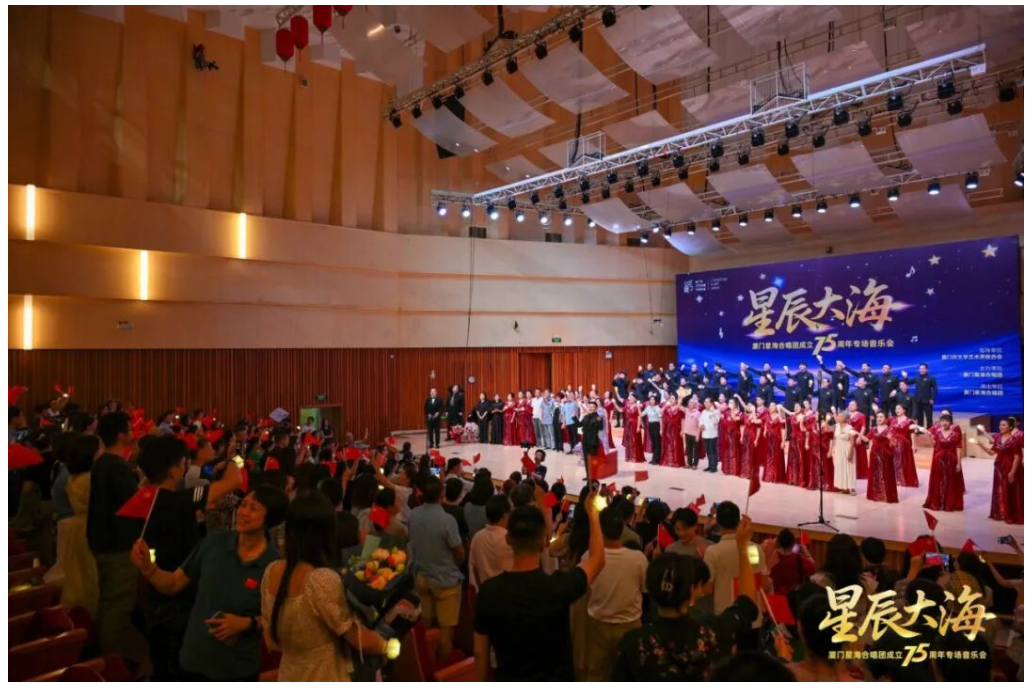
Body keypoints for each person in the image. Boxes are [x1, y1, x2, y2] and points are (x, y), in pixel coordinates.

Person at [130, 485, 289, 681]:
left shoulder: (273, 565)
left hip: (237, 670)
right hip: (194, 660)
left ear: (270, 518)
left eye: (254, 508)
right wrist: (148, 568)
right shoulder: (214, 543)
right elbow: (173, 584)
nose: (243, 512)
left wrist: (247, 624)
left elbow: (279, 620)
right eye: (243, 504)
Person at [137, 435, 242, 680]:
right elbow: (235, 480)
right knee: (181, 666)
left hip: (153, 590)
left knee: (161, 660)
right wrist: (230, 461)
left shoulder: (143, 497)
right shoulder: (179, 501)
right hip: (180, 594)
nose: (185, 465)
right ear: (174, 470)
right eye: (182, 462)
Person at [474, 492, 605, 682]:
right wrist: (593, 515)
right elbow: (597, 559)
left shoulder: (488, 592)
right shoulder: (558, 586)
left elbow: (480, 652)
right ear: (544, 542)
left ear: (508, 539)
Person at [261, 493, 391, 681]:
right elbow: (357, 638)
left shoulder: (271, 570)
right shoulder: (320, 579)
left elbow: (271, 641)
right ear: (327, 532)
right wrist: (387, 647)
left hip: (289, 674)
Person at [611, 530, 759, 681]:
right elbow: (746, 604)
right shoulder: (710, 632)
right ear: (692, 590)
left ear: (650, 588)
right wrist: (742, 547)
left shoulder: (634, 642)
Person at [88, 411, 149, 668]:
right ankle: (112, 664)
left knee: (111, 600)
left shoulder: (102, 462)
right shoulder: (115, 466)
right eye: (129, 429)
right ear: (121, 435)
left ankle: (111, 655)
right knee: (118, 603)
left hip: (103, 541)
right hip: (117, 545)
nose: (133, 432)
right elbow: (133, 504)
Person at [583, 506, 648, 681]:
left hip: (598, 623)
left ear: (599, 531)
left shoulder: (588, 556)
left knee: (596, 673)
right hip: (630, 625)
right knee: (630, 675)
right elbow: (645, 589)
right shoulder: (638, 559)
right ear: (622, 528)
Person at [407, 477, 464, 660]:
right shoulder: (447, 520)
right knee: (446, 633)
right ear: (442, 494)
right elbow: (459, 551)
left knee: (426, 624)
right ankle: (443, 666)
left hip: (422, 576)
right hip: (446, 581)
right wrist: (454, 566)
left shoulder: (413, 514)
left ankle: (425, 662)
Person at [53, 433, 100, 617]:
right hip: (88, 528)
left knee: (79, 575)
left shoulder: (72, 476)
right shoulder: (89, 479)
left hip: (78, 527)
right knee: (89, 576)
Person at [703, 501, 767, 616]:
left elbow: (708, 589)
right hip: (752, 618)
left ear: (717, 521)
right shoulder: (755, 549)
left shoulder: (712, 552)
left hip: (725, 618)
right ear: (738, 520)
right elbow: (764, 584)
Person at [974, 417, 1023, 525]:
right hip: (999, 467)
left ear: (1010, 427)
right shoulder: (998, 438)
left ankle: (1010, 514)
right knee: (999, 489)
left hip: (1009, 467)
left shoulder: (1015, 439)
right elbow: (992, 453)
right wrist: (980, 445)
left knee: (1010, 491)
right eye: (1000, 424)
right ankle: (1001, 512)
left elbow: (1017, 456)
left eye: (1004, 425)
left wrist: (1013, 472)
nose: (1001, 427)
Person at [469, 494, 513, 590]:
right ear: (505, 515)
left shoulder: (477, 537)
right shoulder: (511, 540)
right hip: (506, 593)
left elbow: (474, 568)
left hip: (484, 591)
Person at [922, 412, 964, 512]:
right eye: (942, 421)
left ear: (951, 423)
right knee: (938, 481)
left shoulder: (956, 434)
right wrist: (928, 436)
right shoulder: (937, 432)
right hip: (938, 460)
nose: (944, 423)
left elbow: (958, 448)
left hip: (951, 460)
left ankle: (948, 503)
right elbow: (933, 445)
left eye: (947, 421)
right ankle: (937, 502)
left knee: (950, 481)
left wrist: (958, 463)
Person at [862, 411, 898, 503]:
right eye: (878, 417)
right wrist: (857, 434)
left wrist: (891, 439)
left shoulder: (890, 429)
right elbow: (866, 439)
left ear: (885, 418)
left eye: (881, 417)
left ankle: (887, 495)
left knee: (886, 474)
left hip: (886, 454)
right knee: (875, 474)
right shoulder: (873, 429)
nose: (879, 418)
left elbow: (895, 443)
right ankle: (876, 494)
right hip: (874, 454)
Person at [767, 529, 815, 595]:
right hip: (794, 597)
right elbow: (812, 567)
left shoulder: (772, 557)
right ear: (793, 544)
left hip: (776, 596)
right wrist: (805, 550)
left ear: (778, 542)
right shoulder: (798, 558)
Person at [889, 404, 920, 487]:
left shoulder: (909, 421)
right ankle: (895, 479)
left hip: (905, 444)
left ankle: (903, 479)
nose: (897, 410)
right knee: (894, 462)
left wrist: (913, 445)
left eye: (899, 408)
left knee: (904, 462)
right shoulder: (892, 420)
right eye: (896, 409)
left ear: (904, 410)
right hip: (894, 444)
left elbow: (912, 433)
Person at [831, 412, 859, 495]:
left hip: (847, 449)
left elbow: (852, 442)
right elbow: (834, 438)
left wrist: (850, 453)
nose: (838, 417)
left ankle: (852, 488)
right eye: (838, 416)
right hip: (839, 450)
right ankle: (844, 488)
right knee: (840, 468)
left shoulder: (850, 428)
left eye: (840, 416)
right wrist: (832, 449)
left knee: (849, 468)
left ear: (845, 418)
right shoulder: (836, 426)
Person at [904, 363, 938, 429]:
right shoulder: (916, 378)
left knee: (929, 418)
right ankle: (920, 430)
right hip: (918, 401)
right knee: (919, 418)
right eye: (920, 368)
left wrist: (932, 398)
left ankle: (929, 430)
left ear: (926, 369)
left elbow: (935, 389)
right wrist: (905, 377)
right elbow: (908, 383)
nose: (921, 370)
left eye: (923, 368)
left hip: (928, 401)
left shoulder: (931, 378)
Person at [462, 473, 495, 538]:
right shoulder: (490, 512)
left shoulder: (467, 506)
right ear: (490, 492)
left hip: (467, 539)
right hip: (481, 540)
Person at [659, 394, 685, 467]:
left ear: (676, 400)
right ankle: (668, 460)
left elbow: (683, 419)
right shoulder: (667, 408)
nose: (671, 400)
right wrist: (665, 406)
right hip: (667, 429)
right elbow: (660, 414)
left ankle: (675, 461)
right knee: (668, 444)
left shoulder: (679, 408)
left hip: (677, 429)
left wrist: (682, 429)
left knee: (676, 445)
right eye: (670, 398)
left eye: (673, 398)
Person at [763, 406, 787, 484]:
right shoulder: (767, 416)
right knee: (769, 457)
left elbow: (783, 429)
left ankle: (776, 476)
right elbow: (766, 425)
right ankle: (768, 476)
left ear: (776, 408)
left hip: (777, 439)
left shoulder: (779, 417)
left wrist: (783, 441)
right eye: (770, 406)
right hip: (768, 439)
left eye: (773, 406)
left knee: (777, 457)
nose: (771, 407)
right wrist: (765, 431)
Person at [699, 399, 721, 473]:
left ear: (711, 403)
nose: (705, 403)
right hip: (705, 434)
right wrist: (701, 425)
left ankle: (714, 467)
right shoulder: (703, 412)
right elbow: (701, 420)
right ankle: (710, 465)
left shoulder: (715, 412)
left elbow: (717, 421)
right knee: (708, 451)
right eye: (705, 402)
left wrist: (713, 413)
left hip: (712, 434)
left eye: (707, 402)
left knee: (713, 451)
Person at [681, 398, 701, 469]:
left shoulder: (698, 413)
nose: (690, 404)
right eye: (689, 402)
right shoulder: (686, 410)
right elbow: (679, 406)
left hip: (695, 434)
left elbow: (699, 425)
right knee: (688, 449)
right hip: (687, 433)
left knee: (695, 450)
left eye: (692, 403)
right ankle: (689, 463)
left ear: (695, 404)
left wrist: (698, 434)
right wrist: (681, 398)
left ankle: (695, 464)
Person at [643, 396, 662, 464]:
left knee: (657, 443)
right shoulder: (648, 408)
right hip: (650, 426)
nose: (652, 401)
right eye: (651, 399)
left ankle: (657, 459)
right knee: (653, 442)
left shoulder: (657, 408)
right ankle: (654, 458)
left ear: (655, 401)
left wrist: (661, 429)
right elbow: (641, 414)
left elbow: (660, 419)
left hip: (656, 425)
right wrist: (638, 407)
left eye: (653, 399)